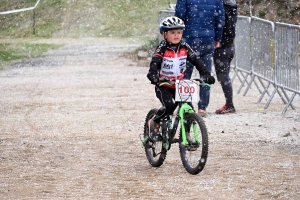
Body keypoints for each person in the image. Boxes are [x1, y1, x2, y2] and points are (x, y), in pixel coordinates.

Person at [147, 16, 215, 141]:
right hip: (164, 85)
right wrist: (154, 76)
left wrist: (205, 74)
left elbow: (196, 61)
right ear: (164, 34)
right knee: (169, 106)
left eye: (179, 32)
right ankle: (155, 122)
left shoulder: (184, 47)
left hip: (179, 84)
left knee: (189, 109)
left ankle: (186, 134)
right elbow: (155, 63)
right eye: (173, 32)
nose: (176, 35)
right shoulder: (162, 48)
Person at [175, 0, 225, 117]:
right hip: (208, 40)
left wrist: (178, 35)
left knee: (185, 75)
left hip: (189, 39)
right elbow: (220, 19)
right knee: (205, 74)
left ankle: (184, 105)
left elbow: (179, 15)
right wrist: (217, 37)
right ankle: (202, 108)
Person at [214, 0, 238, 114]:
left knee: (223, 76)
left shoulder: (222, 7)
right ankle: (229, 104)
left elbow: (221, 25)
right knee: (224, 76)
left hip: (222, 47)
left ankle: (230, 105)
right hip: (229, 45)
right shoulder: (231, 6)